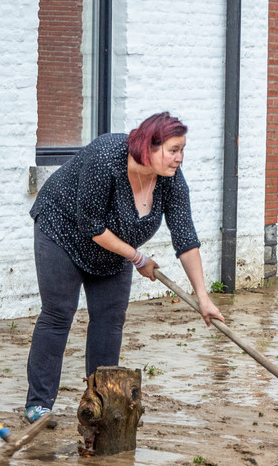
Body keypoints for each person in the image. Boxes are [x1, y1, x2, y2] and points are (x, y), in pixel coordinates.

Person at [25, 112, 225, 426]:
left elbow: (186, 238)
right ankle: (39, 405)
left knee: (110, 318)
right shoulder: (106, 158)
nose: (179, 158)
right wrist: (138, 258)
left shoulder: (170, 182)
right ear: (150, 146)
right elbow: (91, 226)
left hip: (116, 249)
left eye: (182, 150)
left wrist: (203, 297)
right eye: (173, 150)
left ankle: (101, 402)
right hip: (62, 233)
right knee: (59, 313)